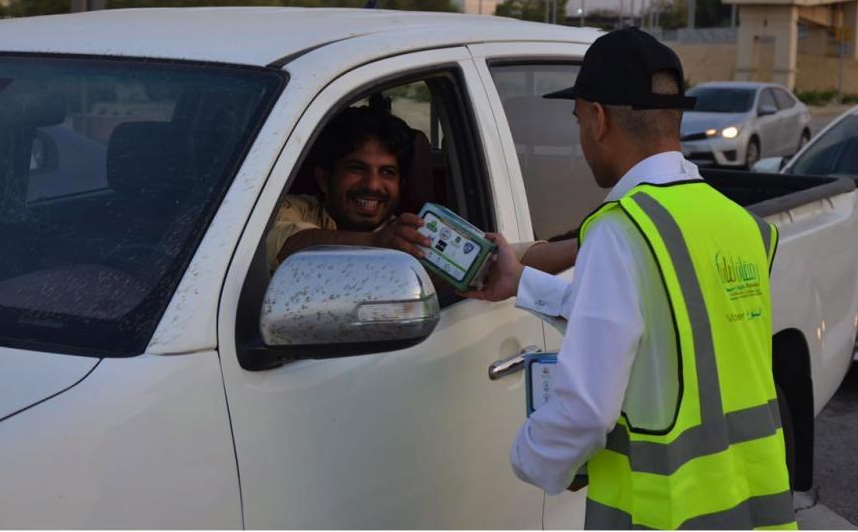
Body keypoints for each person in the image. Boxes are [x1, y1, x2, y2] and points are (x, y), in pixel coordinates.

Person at [464, 28, 795, 529]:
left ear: (597, 119)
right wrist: (523, 284)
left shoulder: (622, 229)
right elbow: (656, 326)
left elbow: (587, 412)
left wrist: (526, 459)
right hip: (750, 514)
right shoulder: (740, 224)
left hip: (662, 517)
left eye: (578, 121)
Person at [265, 105, 431, 272]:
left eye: (387, 172)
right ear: (324, 178)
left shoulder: (414, 241)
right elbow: (285, 246)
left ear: (400, 184)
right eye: (356, 168)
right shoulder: (290, 209)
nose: (373, 184)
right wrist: (375, 243)